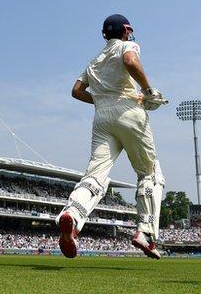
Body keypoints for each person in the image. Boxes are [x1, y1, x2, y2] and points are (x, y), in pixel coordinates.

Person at [55, 14, 167, 259]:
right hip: (128, 110)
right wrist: (148, 91)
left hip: (102, 117)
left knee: (95, 174)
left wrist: (101, 99)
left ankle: (72, 215)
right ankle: (146, 233)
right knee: (149, 173)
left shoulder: (94, 60)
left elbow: (76, 91)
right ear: (126, 29)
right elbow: (130, 60)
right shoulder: (128, 45)